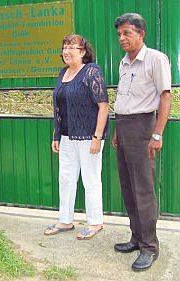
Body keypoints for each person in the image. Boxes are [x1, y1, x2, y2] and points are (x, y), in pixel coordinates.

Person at [112, 13, 171, 271]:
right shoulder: (124, 63)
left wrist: (157, 133)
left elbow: (165, 97)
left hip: (143, 126)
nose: (122, 38)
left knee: (144, 191)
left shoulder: (156, 59)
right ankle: (136, 237)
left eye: (127, 33)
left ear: (141, 33)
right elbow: (123, 99)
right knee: (128, 187)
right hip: (124, 126)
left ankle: (149, 247)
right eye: (119, 34)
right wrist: (117, 130)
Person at [44, 34, 109, 239]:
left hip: (89, 136)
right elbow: (58, 108)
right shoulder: (63, 73)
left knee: (90, 180)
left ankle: (95, 222)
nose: (67, 50)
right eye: (65, 46)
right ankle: (65, 220)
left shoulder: (92, 71)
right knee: (66, 179)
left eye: (72, 47)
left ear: (83, 51)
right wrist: (57, 134)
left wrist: (97, 137)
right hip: (67, 137)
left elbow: (103, 106)